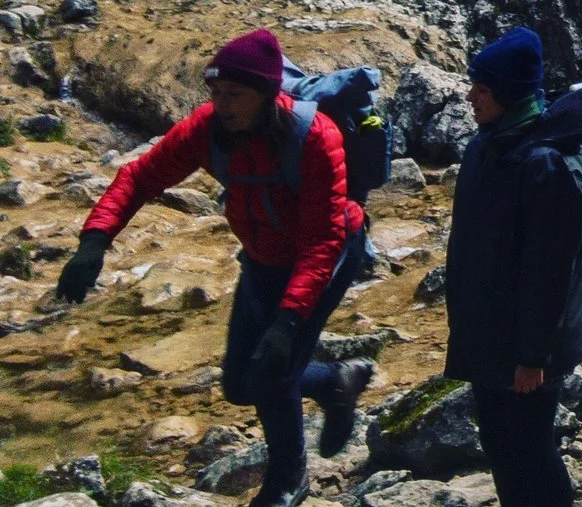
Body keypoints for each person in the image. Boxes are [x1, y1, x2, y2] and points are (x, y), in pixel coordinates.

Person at [56, 29, 374, 507]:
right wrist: (95, 240)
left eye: (235, 95)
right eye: (216, 92)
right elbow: (140, 176)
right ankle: (333, 380)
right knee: (240, 384)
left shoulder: (314, 138)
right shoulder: (207, 130)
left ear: (267, 95)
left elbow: (322, 242)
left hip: (326, 256)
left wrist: (288, 322)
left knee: (273, 373)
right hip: (263, 257)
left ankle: (289, 478)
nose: (222, 105)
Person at [445, 28, 582, 507]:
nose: (470, 97)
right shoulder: (486, 145)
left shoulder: (546, 164)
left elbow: (550, 272)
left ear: (509, 95)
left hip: (529, 344)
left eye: (482, 89)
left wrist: (533, 356)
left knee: (530, 448)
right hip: (488, 330)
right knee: (498, 444)